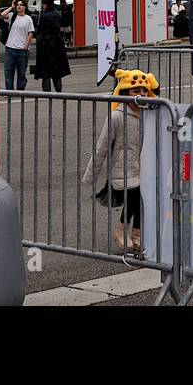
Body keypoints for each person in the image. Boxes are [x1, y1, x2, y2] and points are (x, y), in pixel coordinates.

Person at [82, 69, 158, 255]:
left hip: (143, 168)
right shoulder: (116, 116)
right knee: (132, 198)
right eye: (135, 91)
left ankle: (137, 233)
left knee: (143, 201)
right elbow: (102, 147)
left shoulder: (149, 115)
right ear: (125, 93)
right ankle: (121, 230)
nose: (140, 94)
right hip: (123, 169)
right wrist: (91, 175)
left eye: (143, 90)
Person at [34, 1, 71, 92]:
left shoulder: (44, 16)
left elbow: (40, 29)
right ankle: (58, 87)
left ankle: (46, 89)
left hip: (45, 43)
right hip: (57, 43)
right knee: (57, 68)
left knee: (45, 69)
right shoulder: (58, 14)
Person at [0, 0, 35, 90]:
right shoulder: (12, 16)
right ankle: (9, 91)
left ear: (25, 7)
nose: (19, 6)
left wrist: (26, 47)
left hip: (22, 50)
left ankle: (20, 90)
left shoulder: (28, 19)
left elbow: (30, 33)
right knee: (8, 71)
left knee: (21, 72)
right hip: (10, 48)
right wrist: (11, 7)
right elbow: (3, 14)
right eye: (17, 5)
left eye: (21, 5)